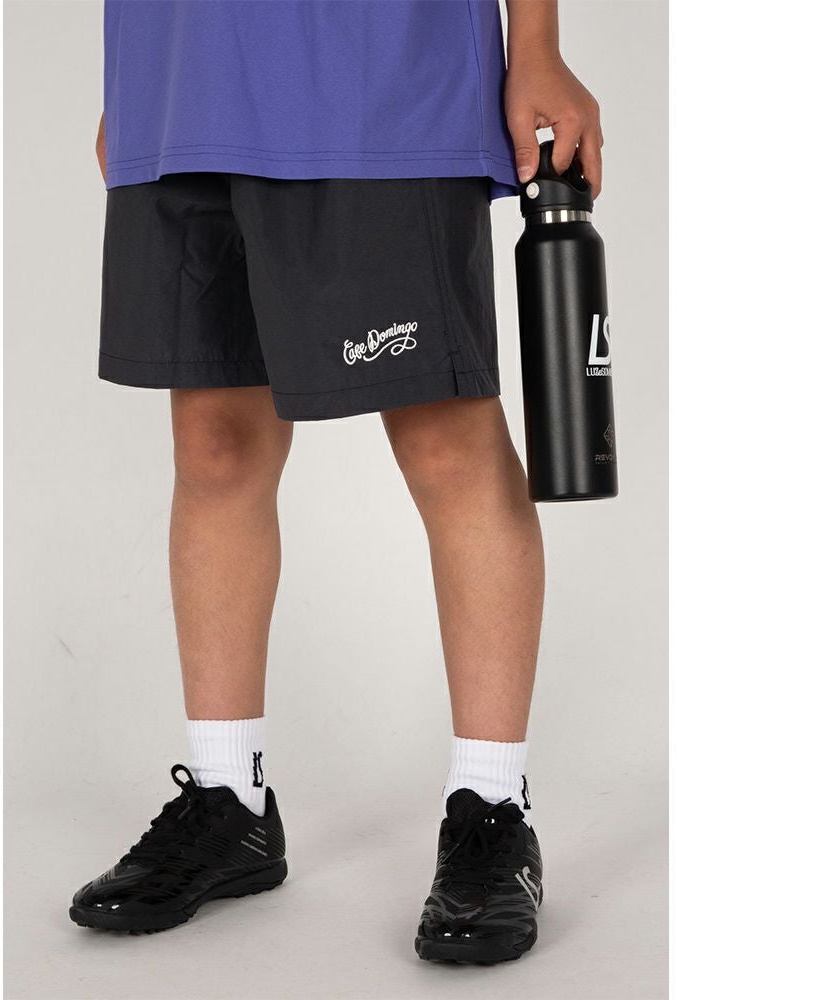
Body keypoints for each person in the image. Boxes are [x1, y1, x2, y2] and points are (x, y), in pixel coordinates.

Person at [70, 0, 602, 965]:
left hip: (379, 72)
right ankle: (229, 799)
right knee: (215, 445)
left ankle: (493, 807)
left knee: (445, 438)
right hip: (179, 73)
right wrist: (138, 82)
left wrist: (536, 45)